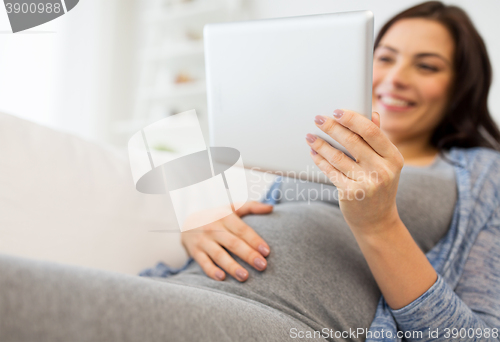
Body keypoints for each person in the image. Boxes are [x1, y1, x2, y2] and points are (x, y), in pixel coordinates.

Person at [1, 1, 499, 341]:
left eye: (427, 66)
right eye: (384, 56)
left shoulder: (484, 177)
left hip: (282, 321)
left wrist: (379, 223)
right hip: (183, 289)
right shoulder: (306, 138)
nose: (394, 77)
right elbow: (161, 135)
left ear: (461, 85)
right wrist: (198, 210)